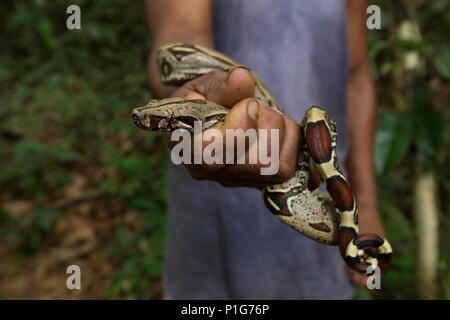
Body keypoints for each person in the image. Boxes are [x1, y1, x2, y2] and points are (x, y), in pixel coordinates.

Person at [144, 0, 387, 299]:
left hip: (321, 259)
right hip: (208, 247)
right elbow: (178, 31)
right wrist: (199, 88)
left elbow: (357, 77)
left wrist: (367, 205)